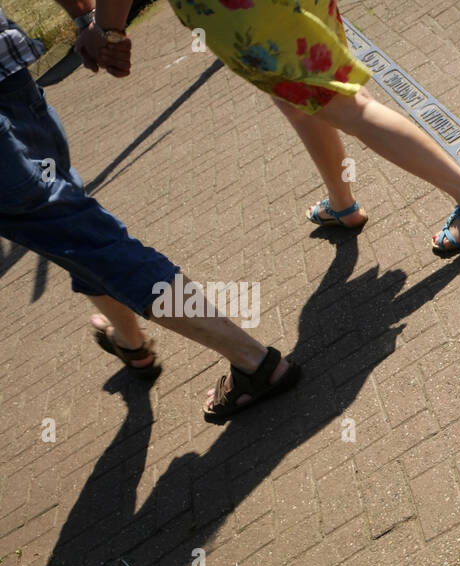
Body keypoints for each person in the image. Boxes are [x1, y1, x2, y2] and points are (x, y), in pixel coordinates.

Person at [0, 1, 300, 421]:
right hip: (11, 82)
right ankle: (130, 341)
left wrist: (100, 26)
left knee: (85, 237)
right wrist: (90, 21)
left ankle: (254, 362)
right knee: (71, 225)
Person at [83, 0, 460, 254]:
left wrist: (107, 31)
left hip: (245, 13)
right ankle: (342, 204)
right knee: (298, 99)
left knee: (347, 103)